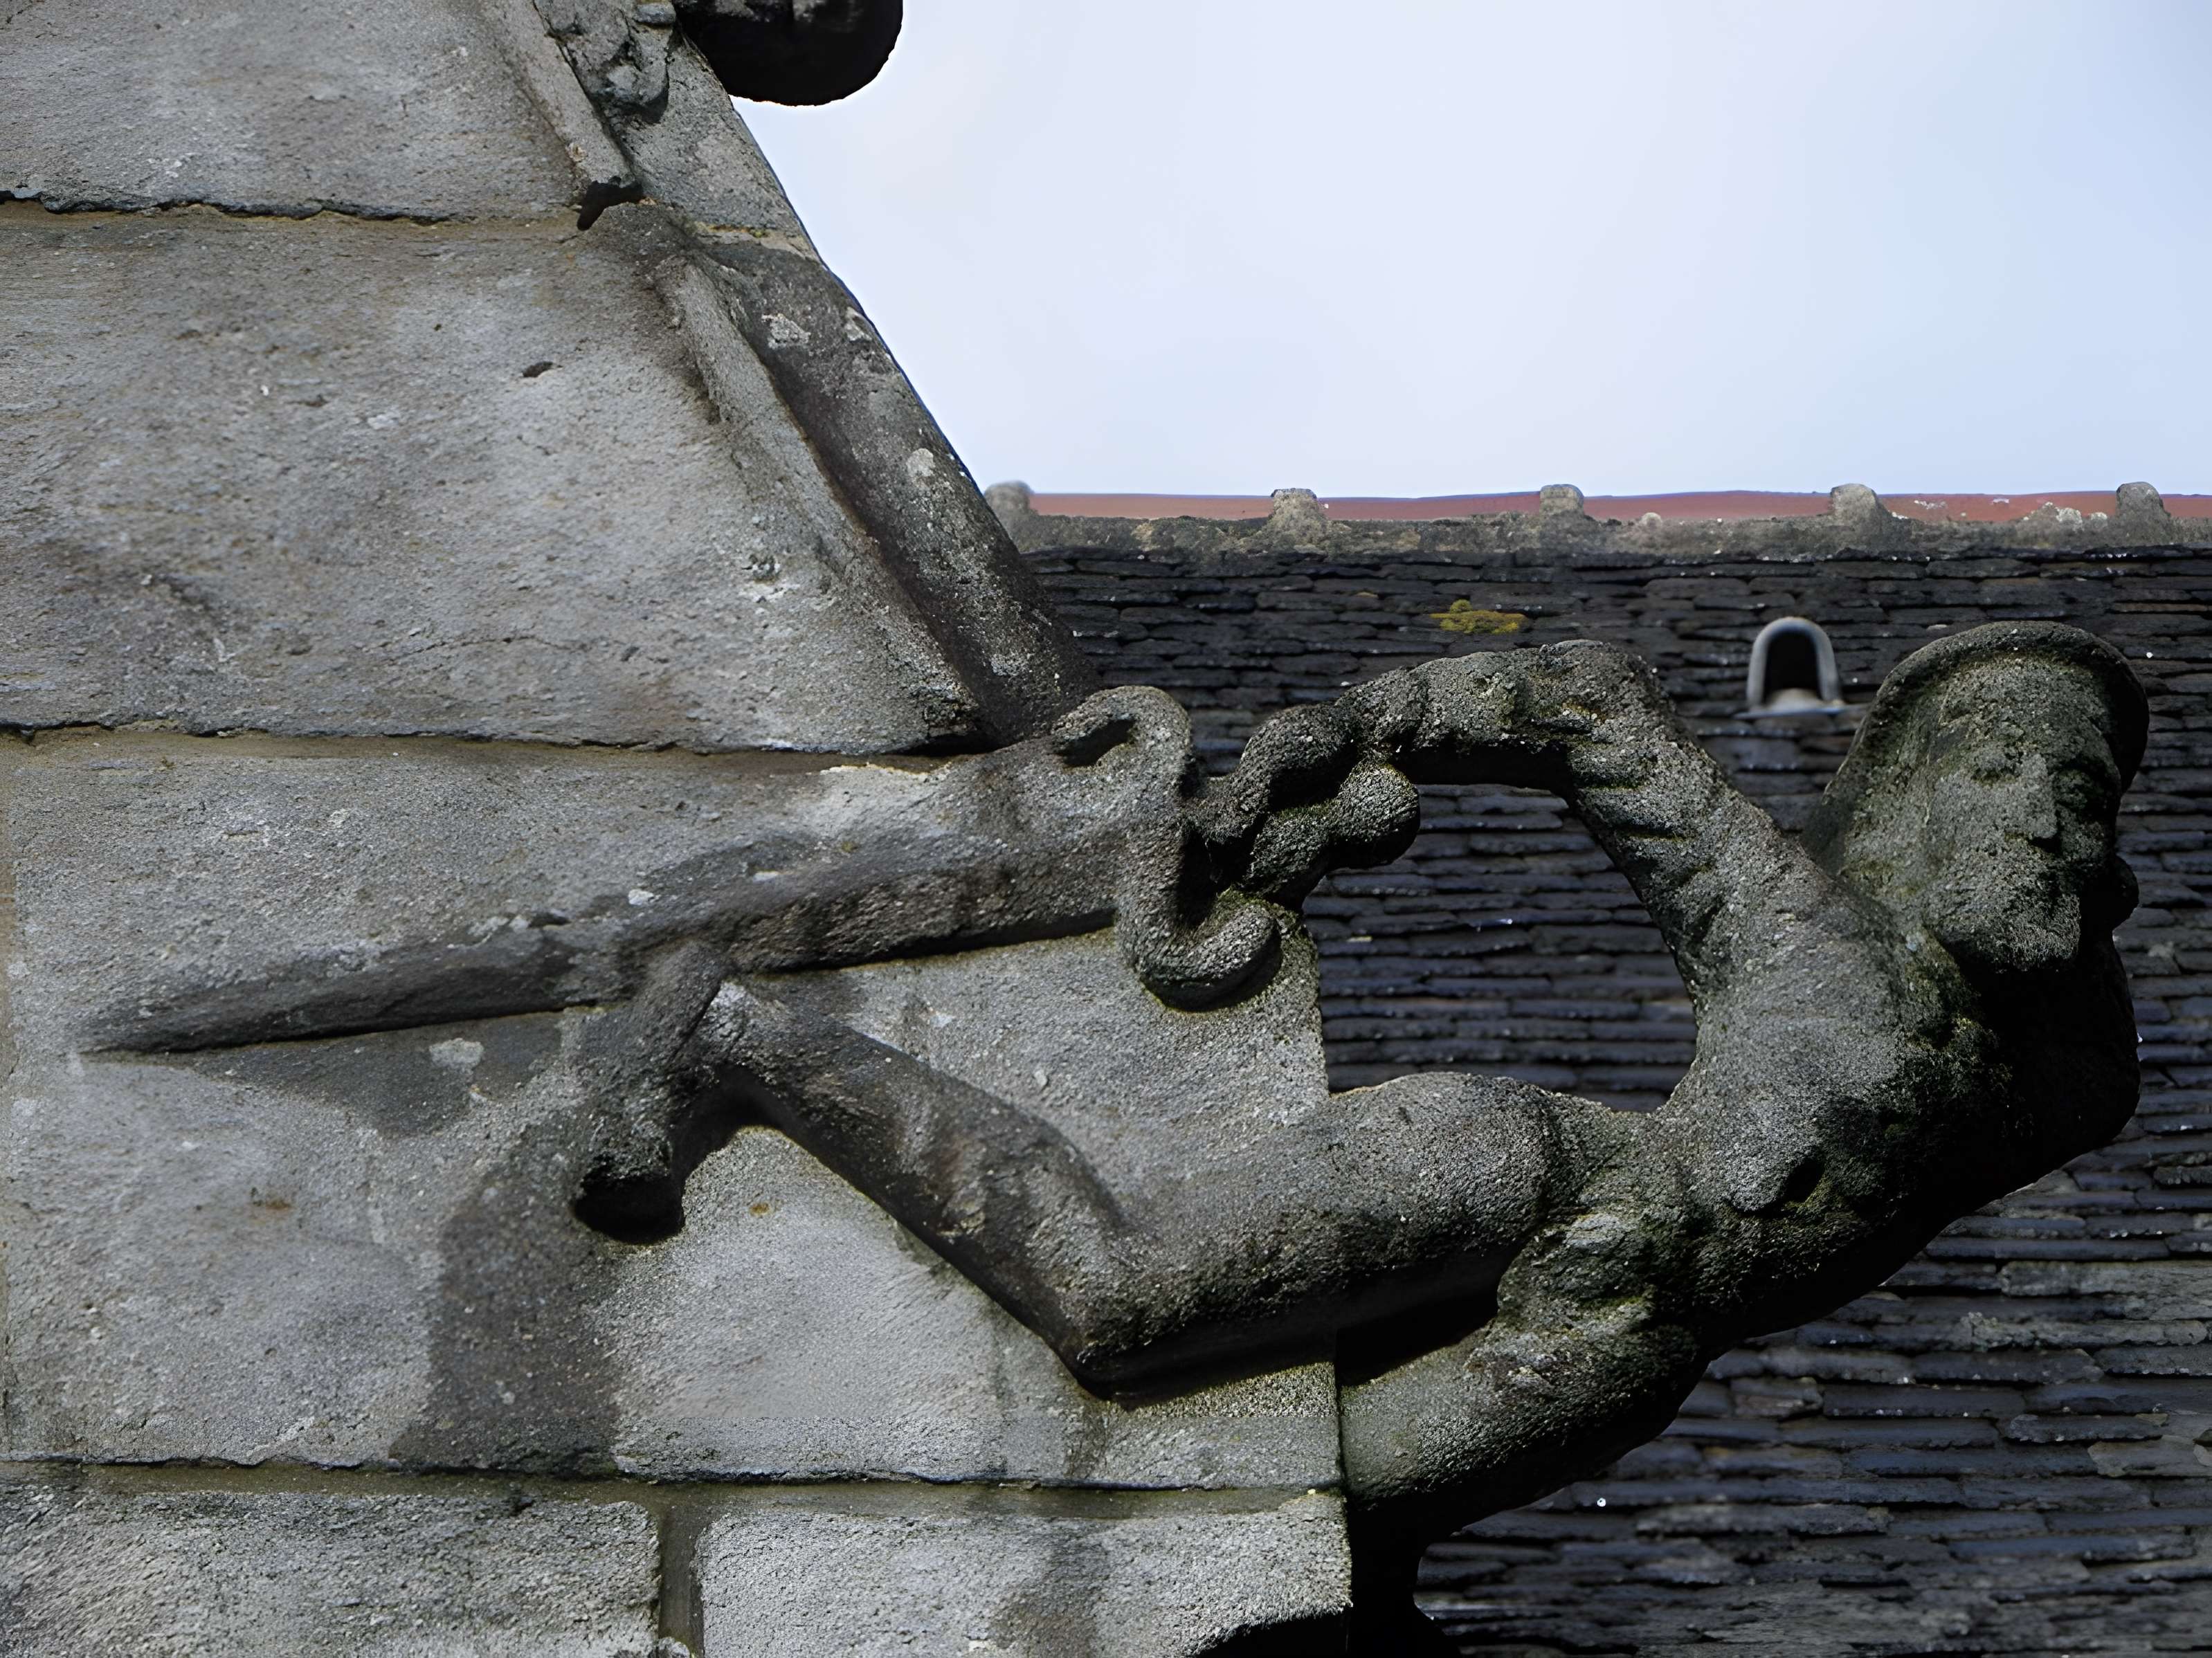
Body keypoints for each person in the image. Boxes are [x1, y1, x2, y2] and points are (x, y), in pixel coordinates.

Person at [664, 621, 2146, 1636]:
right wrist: (1353, 735)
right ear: (1891, 800)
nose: (2042, 822)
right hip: (1521, 1173)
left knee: (1265, 1546)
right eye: (1994, 773)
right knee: (1121, 1302)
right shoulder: (1808, 931)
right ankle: (743, 1042)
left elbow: (2077, 989)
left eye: (2078, 797)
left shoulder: (2063, 1076)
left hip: (1611, 1334)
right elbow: (1582, 706)